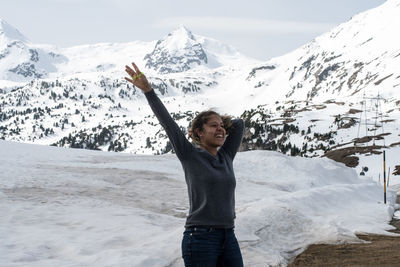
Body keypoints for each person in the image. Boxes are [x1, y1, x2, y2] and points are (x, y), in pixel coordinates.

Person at [125, 62, 245, 267]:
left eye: (222, 127)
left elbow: (240, 123)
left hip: (229, 235)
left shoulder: (226, 156)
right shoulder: (189, 155)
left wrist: (220, 121)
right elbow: (167, 122)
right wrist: (148, 91)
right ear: (199, 132)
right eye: (213, 126)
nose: (221, 130)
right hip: (200, 238)